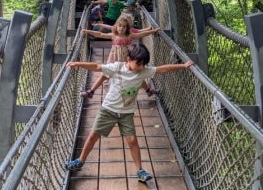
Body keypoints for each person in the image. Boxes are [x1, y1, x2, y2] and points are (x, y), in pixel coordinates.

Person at [65, 43, 194, 182]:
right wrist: (76, 64)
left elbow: (162, 70)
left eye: (143, 65)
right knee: (92, 136)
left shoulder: (143, 71)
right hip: (108, 109)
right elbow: (96, 67)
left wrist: (183, 66)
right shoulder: (117, 68)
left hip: (126, 113)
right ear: (128, 59)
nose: (141, 68)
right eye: (138, 64)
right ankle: (80, 161)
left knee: (132, 141)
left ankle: (140, 170)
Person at [81, 15, 160, 98]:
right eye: (119, 26)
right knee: (105, 73)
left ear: (127, 28)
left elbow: (142, 34)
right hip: (114, 58)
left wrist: (153, 31)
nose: (121, 28)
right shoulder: (113, 35)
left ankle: (148, 90)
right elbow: (100, 34)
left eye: (124, 27)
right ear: (116, 26)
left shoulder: (130, 35)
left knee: (135, 73)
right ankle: (91, 91)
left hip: (126, 60)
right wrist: (87, 31)